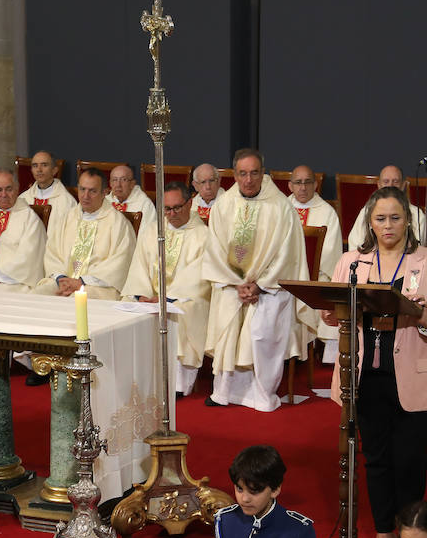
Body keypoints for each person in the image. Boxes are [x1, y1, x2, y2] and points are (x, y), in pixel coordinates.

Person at [322, 186, 427, 538]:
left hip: (413, 375)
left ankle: (410, 535)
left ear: (408, 220)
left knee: (410, 459)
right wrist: (329, 308)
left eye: (395, 218)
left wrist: (425, 316)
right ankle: (384, 533)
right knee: (377, 458)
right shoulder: (352, 261)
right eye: (380, 218)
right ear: (369, 222)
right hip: (365, 376)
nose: (388, 225)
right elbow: (329, 310)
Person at [202, 148, 307, 411]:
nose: (248, 180)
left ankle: (261, 393)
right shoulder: (224, 205)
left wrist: (259, 285)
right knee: (227, 312)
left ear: (263, 173)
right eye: (242, 174)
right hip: (232, 284)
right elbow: (214, 248)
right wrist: (237, 283)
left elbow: (288, 254)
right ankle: (224, 391)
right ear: (234, 175)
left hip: (270, 286)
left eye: (254, 173)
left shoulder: (281, 206)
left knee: (259, 330)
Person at [123, 182, 211, 396]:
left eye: (177, 208)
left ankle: (179, 385)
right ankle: (138, 378)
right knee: (127, 306)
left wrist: (167, 299)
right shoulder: (153, 231)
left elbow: (198, 278)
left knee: (180, 313)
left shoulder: (203, 235)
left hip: (184, 298)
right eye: (166, 209)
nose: (171, 214)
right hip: (150, 297)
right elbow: (139, 265)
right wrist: (142, 294)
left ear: (190, 204)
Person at [36, 165, 136, 300]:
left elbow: (120, 263)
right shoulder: (67, 218)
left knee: (75, 299)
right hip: (63, 282)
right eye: (82, 189)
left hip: (98, 287)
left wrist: (81, 282)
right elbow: (52, 253)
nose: (85, 196)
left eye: (92, 191)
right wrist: (61, 278)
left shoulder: (118, 223)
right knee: (40, 294)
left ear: (105, 192)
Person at [288, 164, 344, 362]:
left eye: (308, 182)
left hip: (316, 276)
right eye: (298, 182)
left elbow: (331, 252)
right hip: (285, 276)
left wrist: (305, 269)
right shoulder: (281, 209)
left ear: (315, 184)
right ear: (290, 185)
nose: (303, 187)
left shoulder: (327, 212)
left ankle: (321, 357)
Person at [346, 165, 427, 247]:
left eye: (395, 181)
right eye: (386, 181)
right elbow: (355, 244)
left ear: (403, 185)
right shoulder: (367, 211)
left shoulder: (416, 214)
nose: (390, 185)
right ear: (379, 185)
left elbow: (417, 248)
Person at [17, 150, 74, 220]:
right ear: (31, 170)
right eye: (35, 165)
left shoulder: (67, 201)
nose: (39, 169)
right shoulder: (23, 199)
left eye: (44, 165)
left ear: (54, 170)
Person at [108, 163, 157, 235]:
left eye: (124, 180)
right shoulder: (104, 202)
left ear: (132, 184)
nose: (118, 185)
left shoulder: (144, 204)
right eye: (114, 180)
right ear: (110, 183)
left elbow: (148, 235)